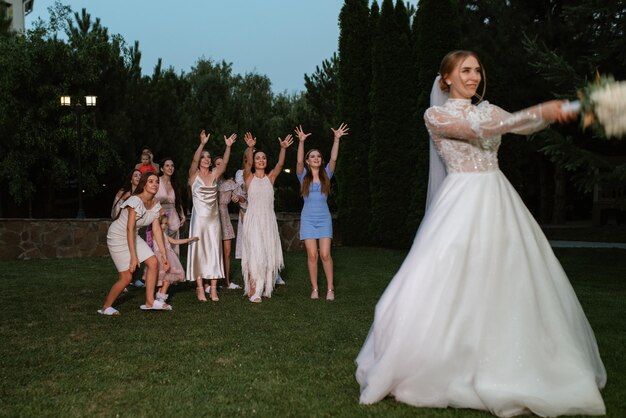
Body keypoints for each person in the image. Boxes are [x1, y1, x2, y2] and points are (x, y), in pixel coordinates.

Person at [355, 50, 606, 417]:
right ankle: (439, 360)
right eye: (465, 71)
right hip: (461, 201)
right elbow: (477, 131)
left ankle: (514, 359)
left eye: (477, 71)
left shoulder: (490, 109)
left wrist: (567, 108)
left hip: (498, 197)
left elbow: (522, 125)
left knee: (510, 276)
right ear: (446, 79)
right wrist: (539, 110)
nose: (473, 77)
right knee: (446, 277)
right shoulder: (436, 115)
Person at [99, 172, 171, 315]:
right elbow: (129, 228)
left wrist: (164, 254)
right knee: (126, 278)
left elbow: (156, 229)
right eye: (151, 181)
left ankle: (150, 302)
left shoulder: (155, 203)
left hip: (133, 235)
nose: (155, 184)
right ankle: (106, 307)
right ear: (144, 184)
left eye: (157, 182)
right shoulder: (135, 201)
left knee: (153, 262)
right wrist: (133, 257)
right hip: (118, 236)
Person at [294, 123, 348, 301]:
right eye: (312, 156)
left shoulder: (327, 174)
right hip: (308, 219)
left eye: (318, 156)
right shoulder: (302, 176)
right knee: (312, 255)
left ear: (321, 160)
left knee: (325, 254)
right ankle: (315, 288)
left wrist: (336, 139)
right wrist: (301, 142)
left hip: (324, 219)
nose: (315, 158)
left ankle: (330, 289)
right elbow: (299, 161)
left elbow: (333, 159)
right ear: (309, 161)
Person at [241, 131, 293, 302]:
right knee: (255, 253)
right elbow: (247, 164)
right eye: (258, 158)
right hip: (253, 219)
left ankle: (262, 286)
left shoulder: (271, 177)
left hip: (268, 220)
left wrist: (283, 148)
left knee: (267, 253)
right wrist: (250, 149)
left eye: (263, 158)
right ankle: (254, 290)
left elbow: (280, 164)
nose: (261, 160)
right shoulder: (248, 177)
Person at [186, 130, 236, 302]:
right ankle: (200, 288)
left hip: (214, 220)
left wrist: (228, 147)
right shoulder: (193, 176)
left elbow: (225, 163)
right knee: (199, 252)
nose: (207, 159)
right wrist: (202, 144)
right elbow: (193, 161)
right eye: (204, 157)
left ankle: (213, 289)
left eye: (208, 157)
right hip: (199, 220)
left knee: (215, 251)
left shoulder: (215, 175)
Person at [111, 168, 145, 288]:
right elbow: (116, 209)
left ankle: (136, 278)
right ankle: (124, 280)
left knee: (136, 252)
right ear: (131, 179)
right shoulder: (124, 193)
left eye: (140, 176)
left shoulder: (144, 194)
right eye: (135, 175)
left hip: (136, 227)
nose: (138, 177)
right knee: (125, 253)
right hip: (123, 226)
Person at [154, 214, 199, 303]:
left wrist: (189, 239)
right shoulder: (154, 234)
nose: (163, 226)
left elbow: (175, 241)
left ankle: (159, 297)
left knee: (166, 280)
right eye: (161, 224)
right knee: (164, 280)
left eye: (165, 224)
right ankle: (161, 299)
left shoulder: (164, 235)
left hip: (169, 257)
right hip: (161, 258)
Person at [215, 156, 242, 290]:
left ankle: (226, 281)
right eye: (217, 164)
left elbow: (242, 196)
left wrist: (237, 197)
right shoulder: (210, 181)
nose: (219, 166)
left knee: (227, 251)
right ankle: (214, 280)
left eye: (222, 164)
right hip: (212, 217)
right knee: (215, 251)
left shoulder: (230, 183)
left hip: (224, 216)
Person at [155, 157, 186, 254]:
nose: (170, 168)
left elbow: (178, 201)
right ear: (161, 169)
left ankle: (173, 268)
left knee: (173, 248)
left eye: (172, 166)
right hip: (159, 216)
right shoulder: (156, 181)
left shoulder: (175, 183)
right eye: (167, 166)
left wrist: (182, 215)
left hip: (173, 217)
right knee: (160, 245)